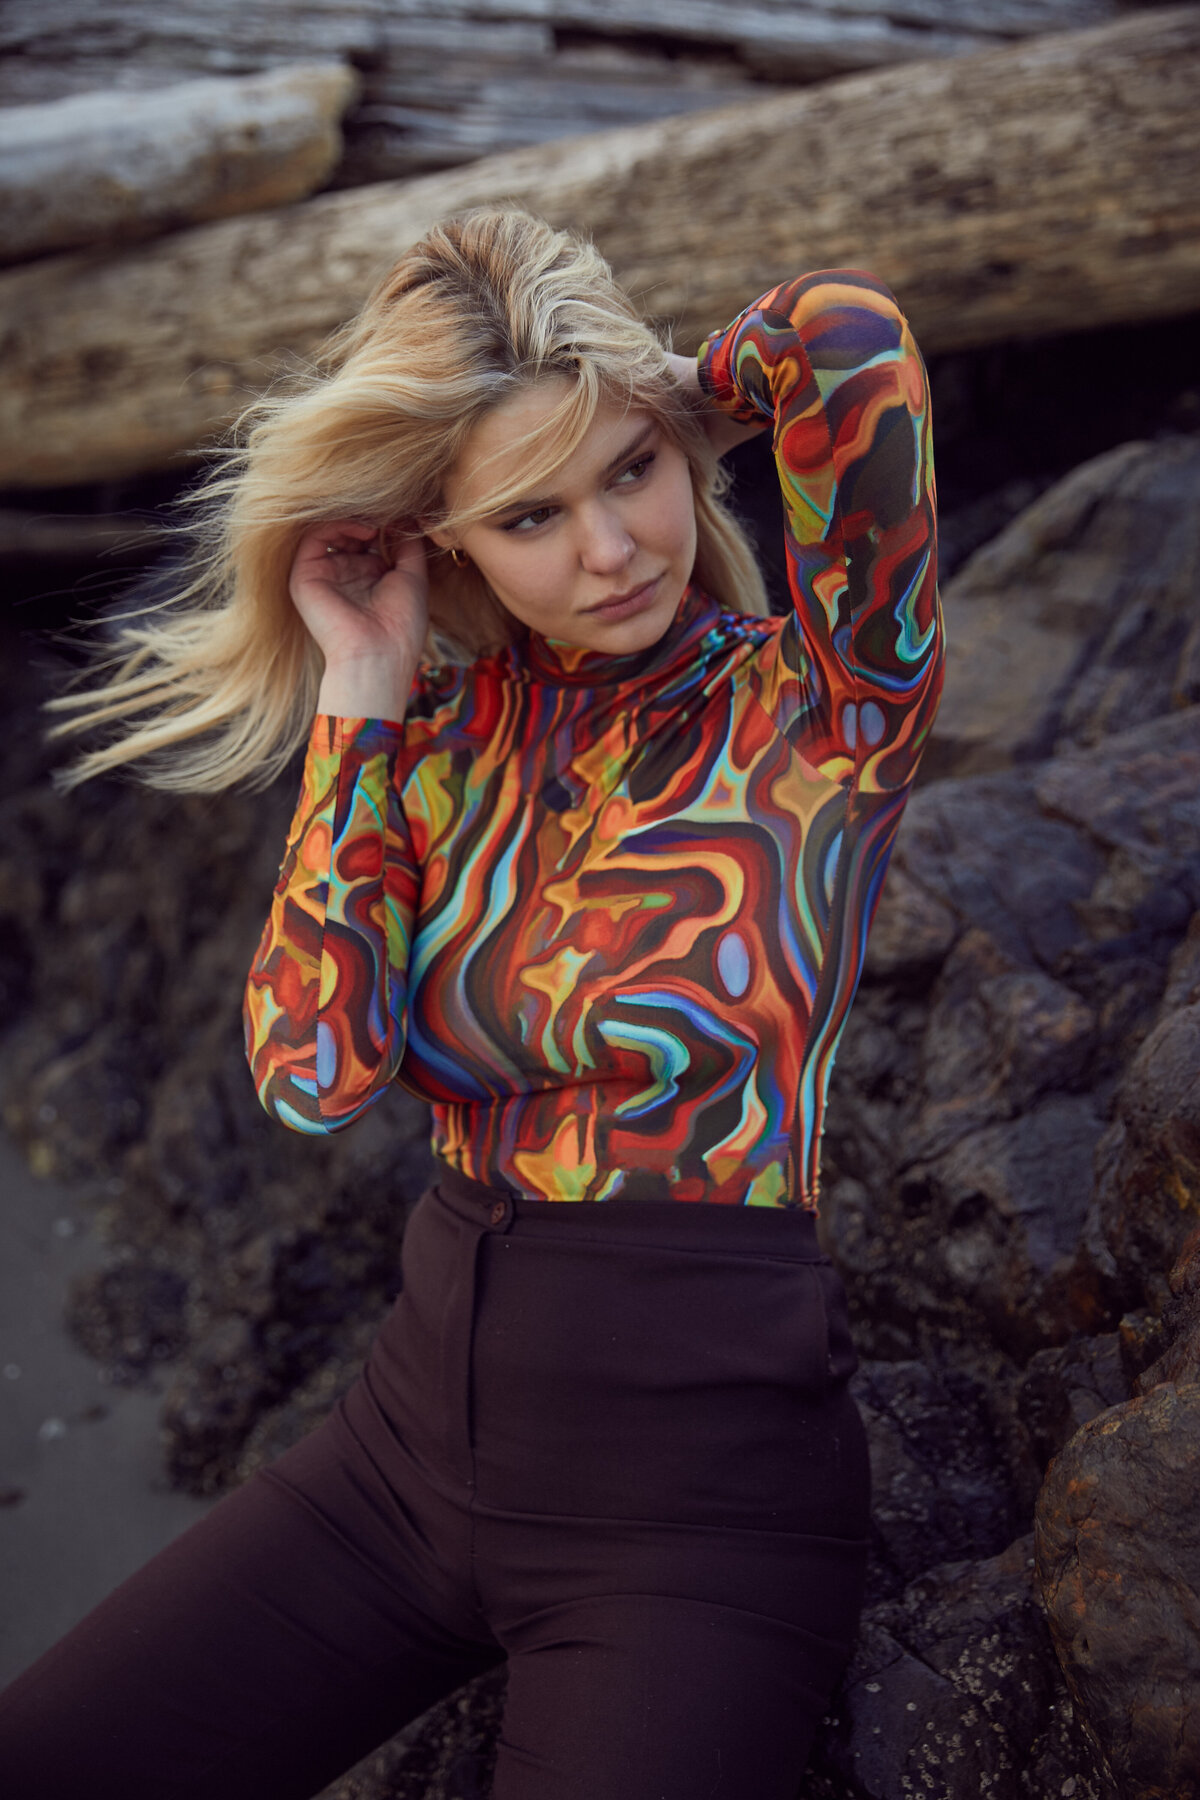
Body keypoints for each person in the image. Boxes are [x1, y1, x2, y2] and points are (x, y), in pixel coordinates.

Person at [0, 207, 943, 1800]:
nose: (612, 547)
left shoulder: (824, 704)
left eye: (632, 473)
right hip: (394, 1468)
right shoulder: (439, 734)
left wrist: (628, 382)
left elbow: (844, 332)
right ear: (446, 541)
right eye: (530, 514)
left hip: (694, 1520)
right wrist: (359, 699)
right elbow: (312, 1074)